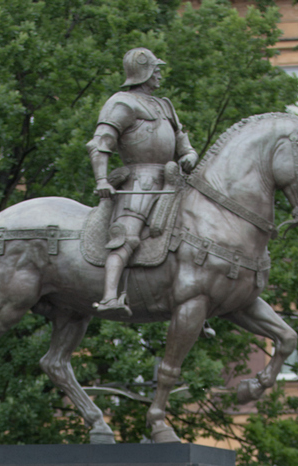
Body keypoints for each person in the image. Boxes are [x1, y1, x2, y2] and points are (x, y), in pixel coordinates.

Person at [86, 47, 198, 316]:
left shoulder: (164, 105)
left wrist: (190, 154)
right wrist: (102, 178)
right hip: (140, 181)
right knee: (125, 236)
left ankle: (201, 298)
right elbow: (101, 143)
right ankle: (110, 296)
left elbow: (182, 140)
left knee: (198, 232)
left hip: (174, 180)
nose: (160, 74)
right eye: (155, 70)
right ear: (144, 73)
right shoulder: (122, 103)